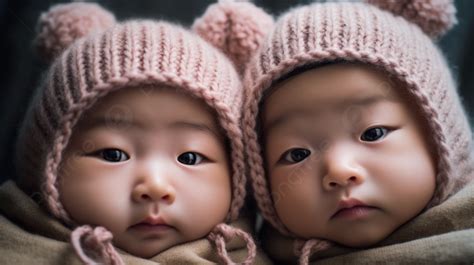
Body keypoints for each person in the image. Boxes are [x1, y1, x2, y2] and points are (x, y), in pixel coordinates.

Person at [0, 2, 273, 264]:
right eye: (113, 154)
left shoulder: (249, 254)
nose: (155, 187)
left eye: (190, 157)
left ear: (239, 175)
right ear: (46, 165)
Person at [242, 0, 474, 263]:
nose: (340, 171)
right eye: (297, 154)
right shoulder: (244, 253)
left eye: (373, 133)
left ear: (445, 137)